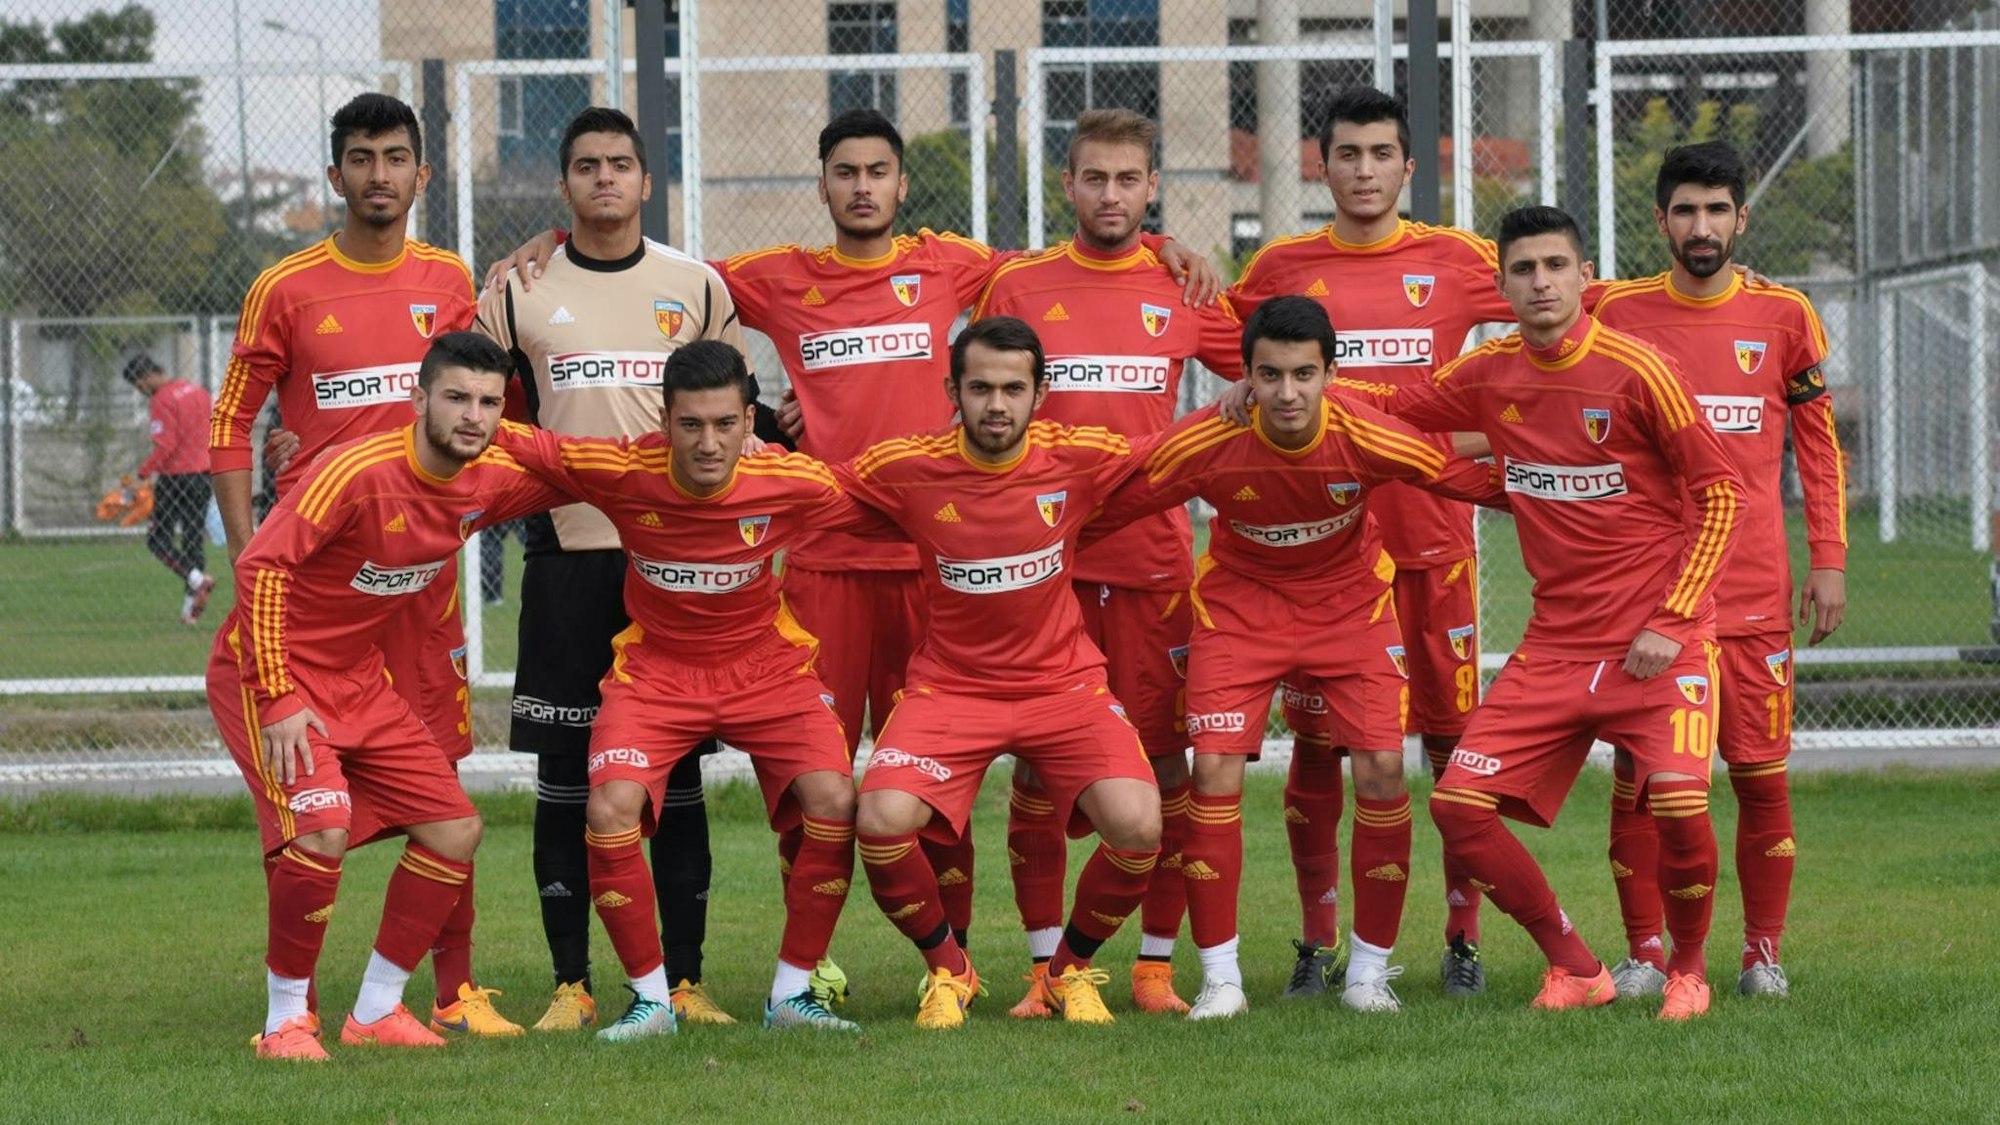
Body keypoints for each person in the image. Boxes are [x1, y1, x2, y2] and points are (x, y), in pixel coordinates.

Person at [492, 110, 1219, 957]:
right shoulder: (774, 277)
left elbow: (1089, 258)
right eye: (847, 172)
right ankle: (815, 968)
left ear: (903, 185)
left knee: (934, 790)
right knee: (820, 783)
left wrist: (1165, 244)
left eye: (879, 172)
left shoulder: (954, 266)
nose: (864, 187)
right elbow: (643, 270)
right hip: (825, 564)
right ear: (825, 183)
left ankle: (948, 965)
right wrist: (554, 242)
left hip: (931, 566)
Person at [1087, 295, 1507, 1018]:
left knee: (1380, 768)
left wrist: (1572, 485)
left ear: (1328, 373)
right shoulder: (1208, 439)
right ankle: (1222, 979)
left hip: (1350, 609)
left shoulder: (1364, 432)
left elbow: (1454, 472)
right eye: (1270, 374)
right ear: (1245, 377)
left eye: (1303, 374)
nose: (1288, 392)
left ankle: (1368, 975)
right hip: (1240, 611)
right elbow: (1114, 493)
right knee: (1212, 770)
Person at [207, 92, 516, 1036]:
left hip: (416, 587)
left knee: (447, 785)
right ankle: (288, 1007)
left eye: (395, 158)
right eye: (360, 158)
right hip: (317, 575)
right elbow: (230, 427)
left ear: (423, 176)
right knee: (315, 810)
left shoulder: (450, 277)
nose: (378, 175)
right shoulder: (288, 286)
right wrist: (250, 554)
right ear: (334, 175)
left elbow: (476, 393)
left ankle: (449, 992)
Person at [1390, 205, 1744, 1020]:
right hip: (1555, 645)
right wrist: (1293, 383)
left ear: (1585, 276)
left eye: (1555, 265)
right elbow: (1399, 405)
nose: (1540, 282)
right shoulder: (1488, 371)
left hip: (1661, 643)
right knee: (1456, 806)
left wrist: (1674, 616)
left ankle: (1689, 971)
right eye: (1523, 269)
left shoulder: (1638, 369)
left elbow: (1721, 493)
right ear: (1503, 283)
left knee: (1682, 805)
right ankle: (1576, 963)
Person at [491, 339, 889, 1041]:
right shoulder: (622, 468)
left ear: (750, 419)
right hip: (658, 672)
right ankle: (650, 1002)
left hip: (766, 666)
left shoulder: (792, 481)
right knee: (610, 804)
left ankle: (793, 995)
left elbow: (892, 495)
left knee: (835, 797)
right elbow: (515, 441)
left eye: (725, 424)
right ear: (663, 418)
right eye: (691, 424)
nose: (709, 444)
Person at [1224, 88, 1523, 995]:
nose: (1362, 170)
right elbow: (1228, 356)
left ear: (1407, 165)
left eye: (1379, 153)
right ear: (1322, 164)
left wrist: (1461, 443)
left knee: (1451, 751)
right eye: (1345, 154)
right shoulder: (1280, 264)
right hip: (1325, 563)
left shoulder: (1461, 260)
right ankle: (1319, 944)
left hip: (1436, 552)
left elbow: (1551, 345)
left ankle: (1461, 939)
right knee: (1322, 757)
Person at [475, 105, 759, 1031]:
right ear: (564, 186)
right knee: (565, 780)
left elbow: (734, 418)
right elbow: (477, 406)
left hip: (679, 569)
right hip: (568, 560)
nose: (606, 178)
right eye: (587, 165)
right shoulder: (518, 288)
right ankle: (572, 983)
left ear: (646, 181)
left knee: (672, 782)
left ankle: (684, 981)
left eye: (621, 164)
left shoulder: (699, 285)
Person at [217, 332, 568, 1060]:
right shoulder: (355, 471)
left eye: (488, 402)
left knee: (453, 828)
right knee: (320, 829)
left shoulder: (489, 472)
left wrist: (696, 451)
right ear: (419, 400)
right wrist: (278, 697)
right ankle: (285, 1020)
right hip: (269, 668)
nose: (473, 416)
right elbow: (262, 568)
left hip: (358, 678)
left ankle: (375, 1010)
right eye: (457, 398)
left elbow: (582, 470)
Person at [966, 107, 1243, 1017]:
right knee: (1040, 773)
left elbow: (1274, 372)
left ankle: (1154, 968)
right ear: (1069, 183)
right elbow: (971, 397)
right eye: (1095, 178)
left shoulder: (1184, 288)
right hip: (1043, 571)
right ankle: (1046, 970)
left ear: (1152, 186)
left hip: (1158, 566)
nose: (1112, 195)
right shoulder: (1019, 283)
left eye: (1129, 180)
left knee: (1167, 773)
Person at [839, 317, 1164, 1028]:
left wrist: (1238, 410)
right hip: (951, 688)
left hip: (1064, 686)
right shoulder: (906, 465)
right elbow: (819, 489)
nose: (996, 404)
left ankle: (1067, 971)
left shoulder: (1078, 456)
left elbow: (1167, 454)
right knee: (879, 818)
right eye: (979, 387)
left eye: (1013, 388)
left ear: (1040, 393)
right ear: (951, 389)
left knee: (1139, 826)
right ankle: (950, 971)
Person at [1592, 140, 1847, 1000]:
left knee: (1758, 775)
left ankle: (1761, 952)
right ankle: (1642, 950)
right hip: (1650, 604)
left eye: (1717, 210)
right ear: (1660, 219)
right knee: (1642, 786)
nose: (1701, 227)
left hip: (1750, 598)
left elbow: (1818, 450)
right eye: (1685, 211)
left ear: (1742, 216)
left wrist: (1830, 560)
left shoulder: (1786, 317)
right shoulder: (1612, 313)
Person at [122, 354, 216, 623]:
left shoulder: (162, 398)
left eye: (138, 385)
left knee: (157, 540)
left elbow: (166, 445)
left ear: (147, 377)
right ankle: (190, 610)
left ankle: (198, 581)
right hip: (203, 474)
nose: (140, 391)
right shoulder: (198, 392)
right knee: (193, 539)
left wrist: (142, 474)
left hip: (175, 479)